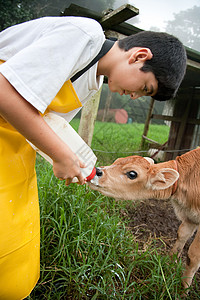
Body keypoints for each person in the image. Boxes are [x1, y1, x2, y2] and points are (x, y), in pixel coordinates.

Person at [0, 16, 187, 299]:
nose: (135, 96)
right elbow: (3, 91)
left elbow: (45, 123)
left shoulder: (92, 83)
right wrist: (62, 154)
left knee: (17, 244)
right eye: (145, 88)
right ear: (139, 56)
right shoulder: (84, 34)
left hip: (13, 147)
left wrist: (68, 160)